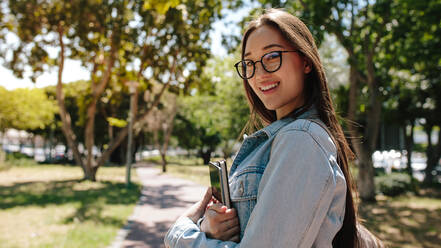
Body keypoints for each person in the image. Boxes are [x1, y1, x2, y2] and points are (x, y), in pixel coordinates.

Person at [164, 8, 382, 248]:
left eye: (272, 56)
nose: (259, 74)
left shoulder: (300, 141)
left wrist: (181, 230)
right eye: (249, 63)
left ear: (306, 61)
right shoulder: (286, 139)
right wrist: (208, 227)